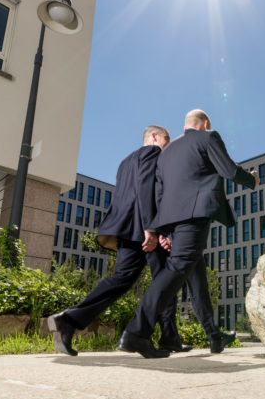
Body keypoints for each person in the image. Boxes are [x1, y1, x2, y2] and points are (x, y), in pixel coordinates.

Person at [118, 109, 259, 358]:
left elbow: (159, 192)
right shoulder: (208, 137)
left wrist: (161, 230)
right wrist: (252, 180)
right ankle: (136, 332)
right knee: (177, 269)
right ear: (204, 124)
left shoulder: (166, 152)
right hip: (195, 214)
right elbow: (228, 170)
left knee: (197, 277)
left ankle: (214, 336)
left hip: (172, 220)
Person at [47, 125, 190, 356]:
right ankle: (158, 336)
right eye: (166, 138)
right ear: (153, 137)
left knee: (122, 279)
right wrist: (151, 228)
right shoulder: (153, 153)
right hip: (145, 228)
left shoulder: (125, 162)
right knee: (166, 280)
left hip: (126, 228)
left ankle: (69, 320)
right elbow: (146, 188)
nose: (168, 143)